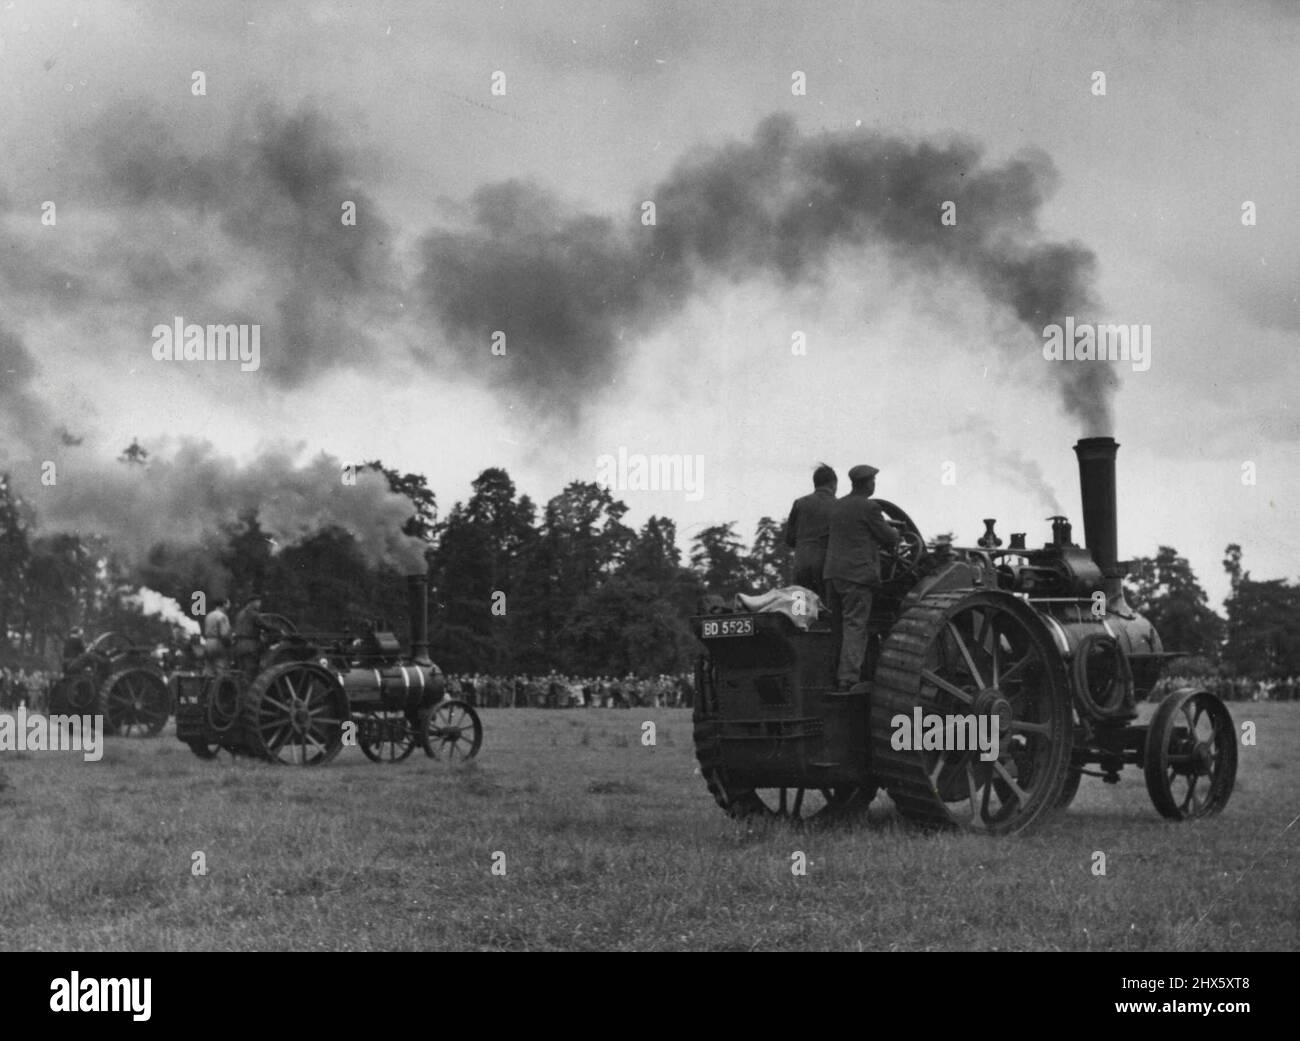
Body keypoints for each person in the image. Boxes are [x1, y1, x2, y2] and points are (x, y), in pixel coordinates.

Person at [823, 464, 901, 691]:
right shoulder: (870, 508)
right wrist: (898, 531)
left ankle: (833, 677)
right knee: (855, 626)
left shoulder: (837, 506)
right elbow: (889, 538)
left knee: (837, 628)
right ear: (867, 483)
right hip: (857, 577)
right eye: (873, 481)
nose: (874, 484)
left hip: (832, 575)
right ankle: (848, 679)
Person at [785, 463, 838, 599]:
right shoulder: (839, 505)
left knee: (800, 610)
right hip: (825, 567)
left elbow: (789, 539)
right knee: (824, 610)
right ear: (833, 485)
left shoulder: (799, 503)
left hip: (800, 565)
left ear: (815, 483)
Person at [233, 593, 275, 677]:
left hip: (238, 646)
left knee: (241, 672)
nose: (260, 604)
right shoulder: (253, 614)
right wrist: (279, 630)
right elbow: (265, 626)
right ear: (252, 602)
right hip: (250, 646)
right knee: (251, 673)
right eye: (258, 602)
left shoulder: (239, 614)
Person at [203, 597, 233, 673]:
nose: (229, 605)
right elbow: (224, 634)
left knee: (209, 668)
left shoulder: (209, 615)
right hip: (218, 643)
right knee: (221, 668)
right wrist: (230, 643)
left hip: (208, 642)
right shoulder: (222, 616)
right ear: (224, 604)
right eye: (228, 603)